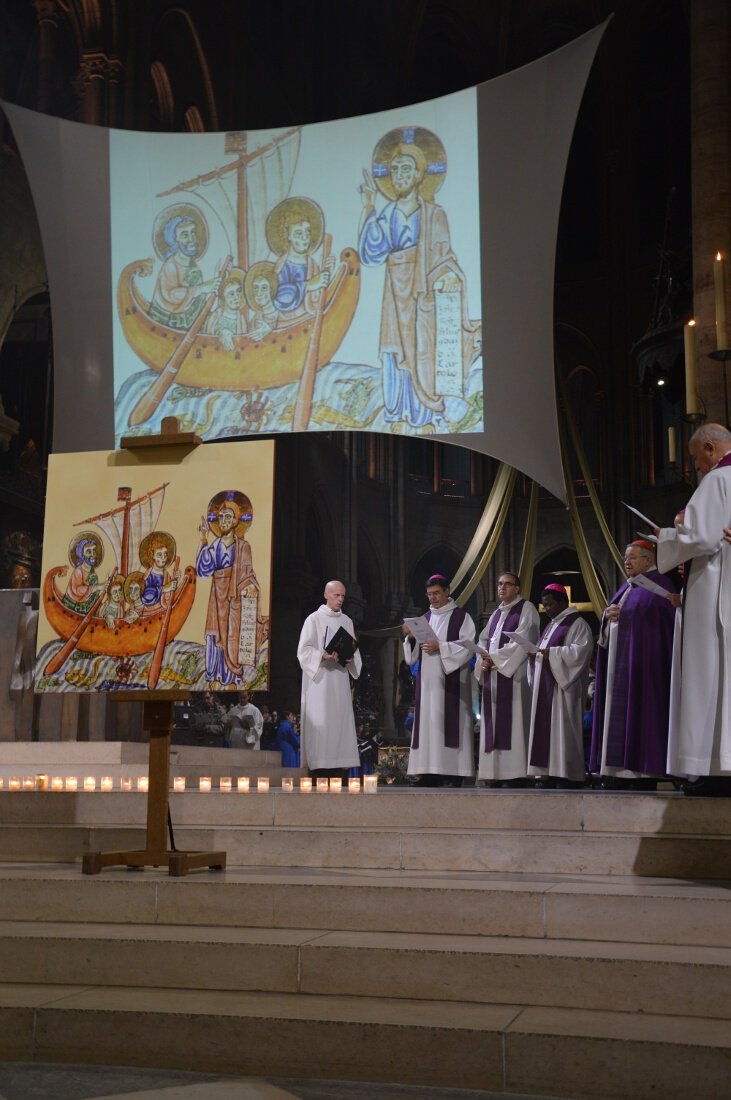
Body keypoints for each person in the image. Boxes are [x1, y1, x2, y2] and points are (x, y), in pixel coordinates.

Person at [358, 129, 480, 433]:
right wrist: (368, 207)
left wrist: (448, 276)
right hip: (394, 290)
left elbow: (444, 257)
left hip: (421, 291)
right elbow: (371, 253)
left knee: (421, 350)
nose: (399, 175)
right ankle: (397, 412)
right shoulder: (386, 214)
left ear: (419, 175)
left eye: (406, 169)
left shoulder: (434, 214)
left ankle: (425, 414)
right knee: (394, 349)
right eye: (394, 169)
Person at [655, 423, 731, 787]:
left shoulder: (718, 480)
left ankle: (712, 765)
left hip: (714, 587)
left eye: (696, 458)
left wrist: (669, 535)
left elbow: (702, 537)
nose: (697, 466)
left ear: (711, 447)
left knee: (709, 673)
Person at [589, 541, 678, 790]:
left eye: (632, 558)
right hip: (620, 664)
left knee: (641, 712)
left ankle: (642, 773)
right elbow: (611, 619)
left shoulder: (661, 586)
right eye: (625, 558)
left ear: (648, 561)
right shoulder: (627, 586)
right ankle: (617, 771)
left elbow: (663, 624)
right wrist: (608, 617)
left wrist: (625, 617)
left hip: (644, 668)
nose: (626, 562)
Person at [403, 573, 475, 786]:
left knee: (450, 726)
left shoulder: (462, 618)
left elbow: (468, 646)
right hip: (427, 685)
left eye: (436, 593)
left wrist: (441, 647)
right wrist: (409, 638)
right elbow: (412, 658)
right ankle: (428, 772)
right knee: (428, 727)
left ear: (447, 591)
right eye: (429, 594)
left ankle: (453, 773)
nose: (432, 598)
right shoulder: (423, 619)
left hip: (450, 684)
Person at [475, 571, 539, 787]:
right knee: (493, 724)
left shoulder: (526, 609)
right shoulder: (496, 614)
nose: (502, 588)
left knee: (514, 722)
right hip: (493, 675)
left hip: (514, 676)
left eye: (507, 584)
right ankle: (494, 773)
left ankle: (516, 774)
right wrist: (483, 659)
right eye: (499, 584)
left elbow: (523, 641)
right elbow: (483, 639)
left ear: (517, 588)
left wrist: (494, 659)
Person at [527, 584, 593, 787]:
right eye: (544, 605)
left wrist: (551, 654)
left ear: (563, 601)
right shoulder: (551, 625)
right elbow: (544, 651)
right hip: (547, 686)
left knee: (564, 729)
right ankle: (547, 773)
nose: (547, 609)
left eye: (550, 604)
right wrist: (535, 655)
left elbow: (580, 653)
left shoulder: (578, 623)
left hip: (564, 689)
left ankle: (567, 774)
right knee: (548, 731)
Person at [297, 580, 361, 778]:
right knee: (321, 722)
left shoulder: (347, 621)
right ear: (326, 595)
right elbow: (303, 651)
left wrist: (350, 658)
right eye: (336, 595)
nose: (340, 599)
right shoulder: (313, 619)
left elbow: (354, 650)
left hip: (340, 681)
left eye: (343, 596)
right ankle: (319, 768)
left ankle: (339, 768)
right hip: (320, 683)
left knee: (339, 724)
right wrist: (321, 655)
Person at [196, 490, 259, 687]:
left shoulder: (243, 546)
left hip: (234, 597)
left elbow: (248, 575)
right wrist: (204, 540)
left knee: (232, 634)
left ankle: (231, 674)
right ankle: (214, 672)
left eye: (228, 517)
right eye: (221, 516)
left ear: (235, 522)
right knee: (216, 634)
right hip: (217, 593)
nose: (223, 520)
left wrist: (249, 588)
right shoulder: (215, 545)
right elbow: (203, 569)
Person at [150, 210, 220, 329]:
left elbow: (197, 301)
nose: (191, 238)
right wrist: (202, 288)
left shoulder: (194, 267)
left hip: (188, 322)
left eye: (192, 233)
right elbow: (170, 295)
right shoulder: (171, 265)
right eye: (185, 235)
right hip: (167, 321)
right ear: (175, 239)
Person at [267, 198, 333, 321]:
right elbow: (278, 296)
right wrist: (308, 285)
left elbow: (317, 298)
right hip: (286, 321)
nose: (304, 238)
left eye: (307, 232)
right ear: (288, 236)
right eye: (298, 233)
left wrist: (326, 273)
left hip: (308, 319)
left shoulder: (312, 264)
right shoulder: (282, 265)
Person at [62, 533, 106, 613]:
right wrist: (96, 587)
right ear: (82, 555)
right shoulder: (78, 571)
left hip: (87, 604)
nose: (93, 554)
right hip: (74, 606)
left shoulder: (92, 572)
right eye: (89, 551)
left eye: (94, 550)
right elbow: (78, 590)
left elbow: (93, 595)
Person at [205, 269, 247, 350]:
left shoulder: (241, 318)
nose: (236, 297)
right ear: (223, 298)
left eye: (238, 291)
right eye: (231, 294)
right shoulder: (216, 315)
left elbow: (243, 342)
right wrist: (221, 333)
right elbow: (207, 338)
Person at [140, 532, 178, 609]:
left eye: (165, 554)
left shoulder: (166, 575)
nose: (163, 557)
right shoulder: (149, 576)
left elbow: (170, 595)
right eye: (159, 555)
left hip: (164, 609)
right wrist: (163, 589)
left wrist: (175, 581)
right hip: (151, 611)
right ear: (152, 556)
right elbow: (146, 597)